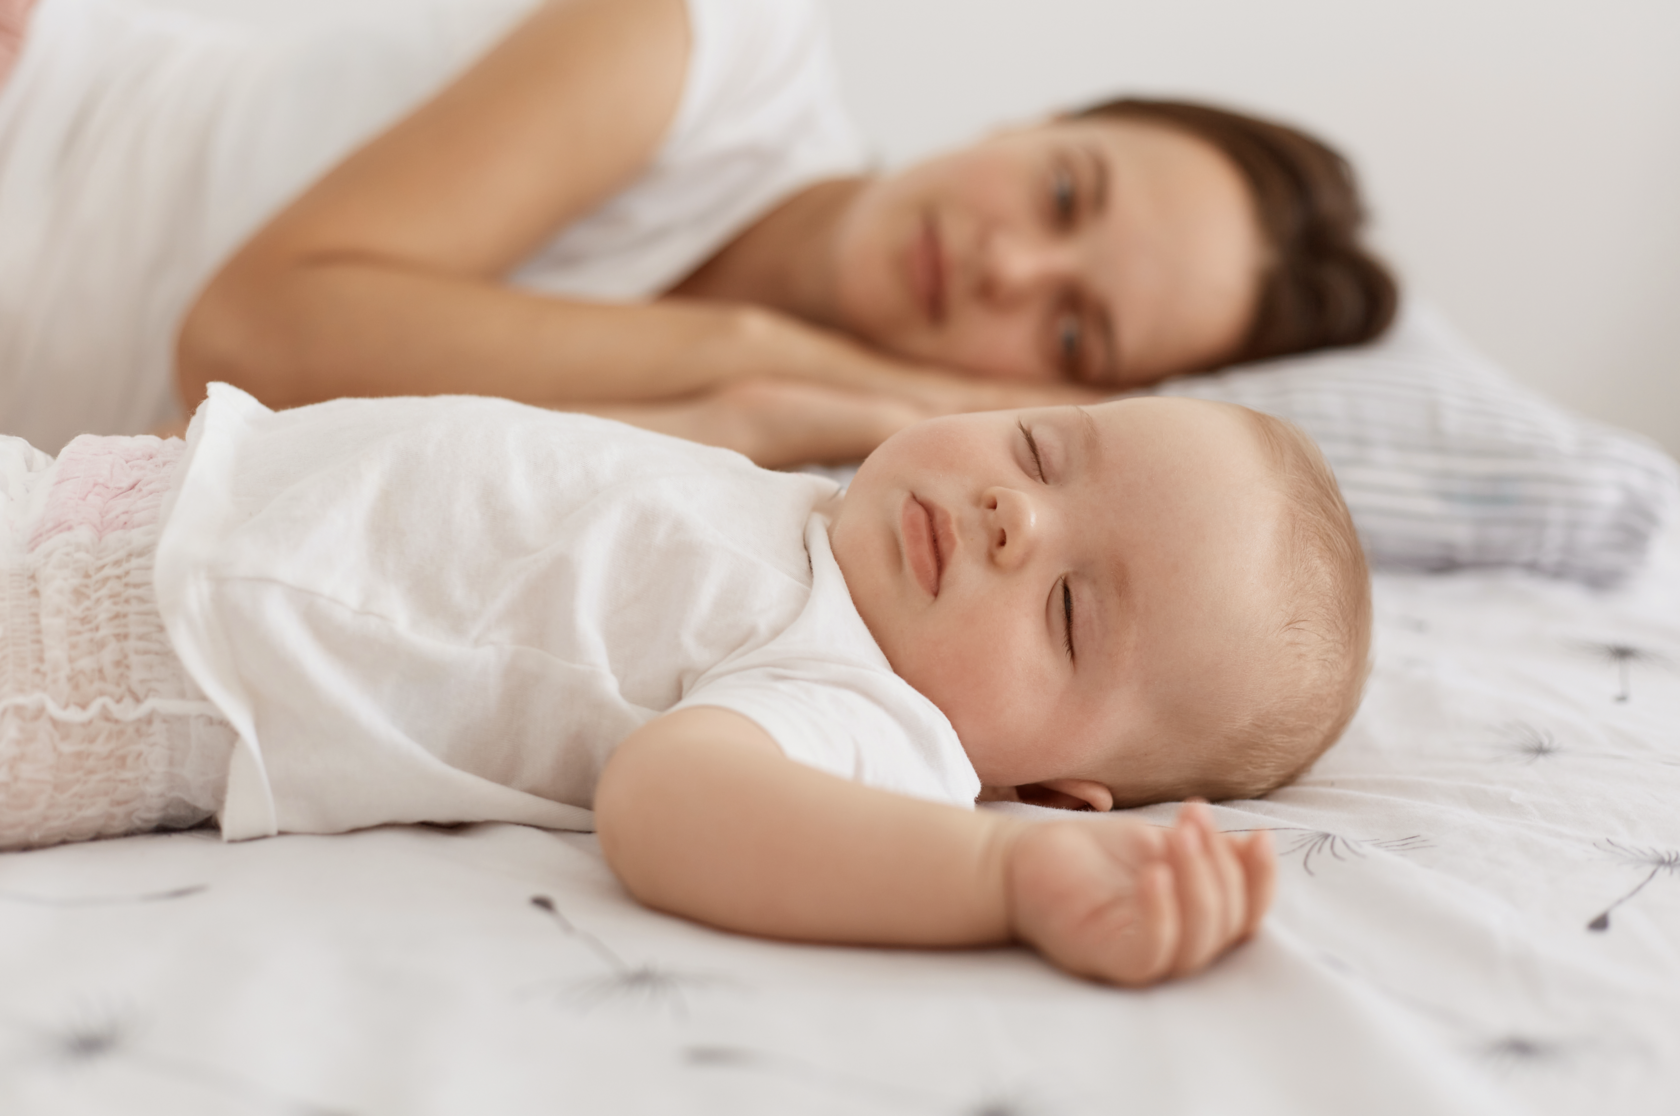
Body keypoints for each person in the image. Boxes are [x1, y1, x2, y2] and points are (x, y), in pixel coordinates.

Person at [0, 386, 1371, 986]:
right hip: (86, 501)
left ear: (1059, 790)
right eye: (1043, 449)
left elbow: (673, 801)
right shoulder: (819, 517)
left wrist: (997, 883)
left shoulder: (869, 711)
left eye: (1072, 612)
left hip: (103, 664)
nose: (1018, 518)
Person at [0, 0, 1396, 464]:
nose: (1007, 264)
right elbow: (243, 344)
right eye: (1063, 193)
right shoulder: (717, 47)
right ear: (1021, 126)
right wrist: (754, 356)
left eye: (1073, 324)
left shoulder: (820, 474)